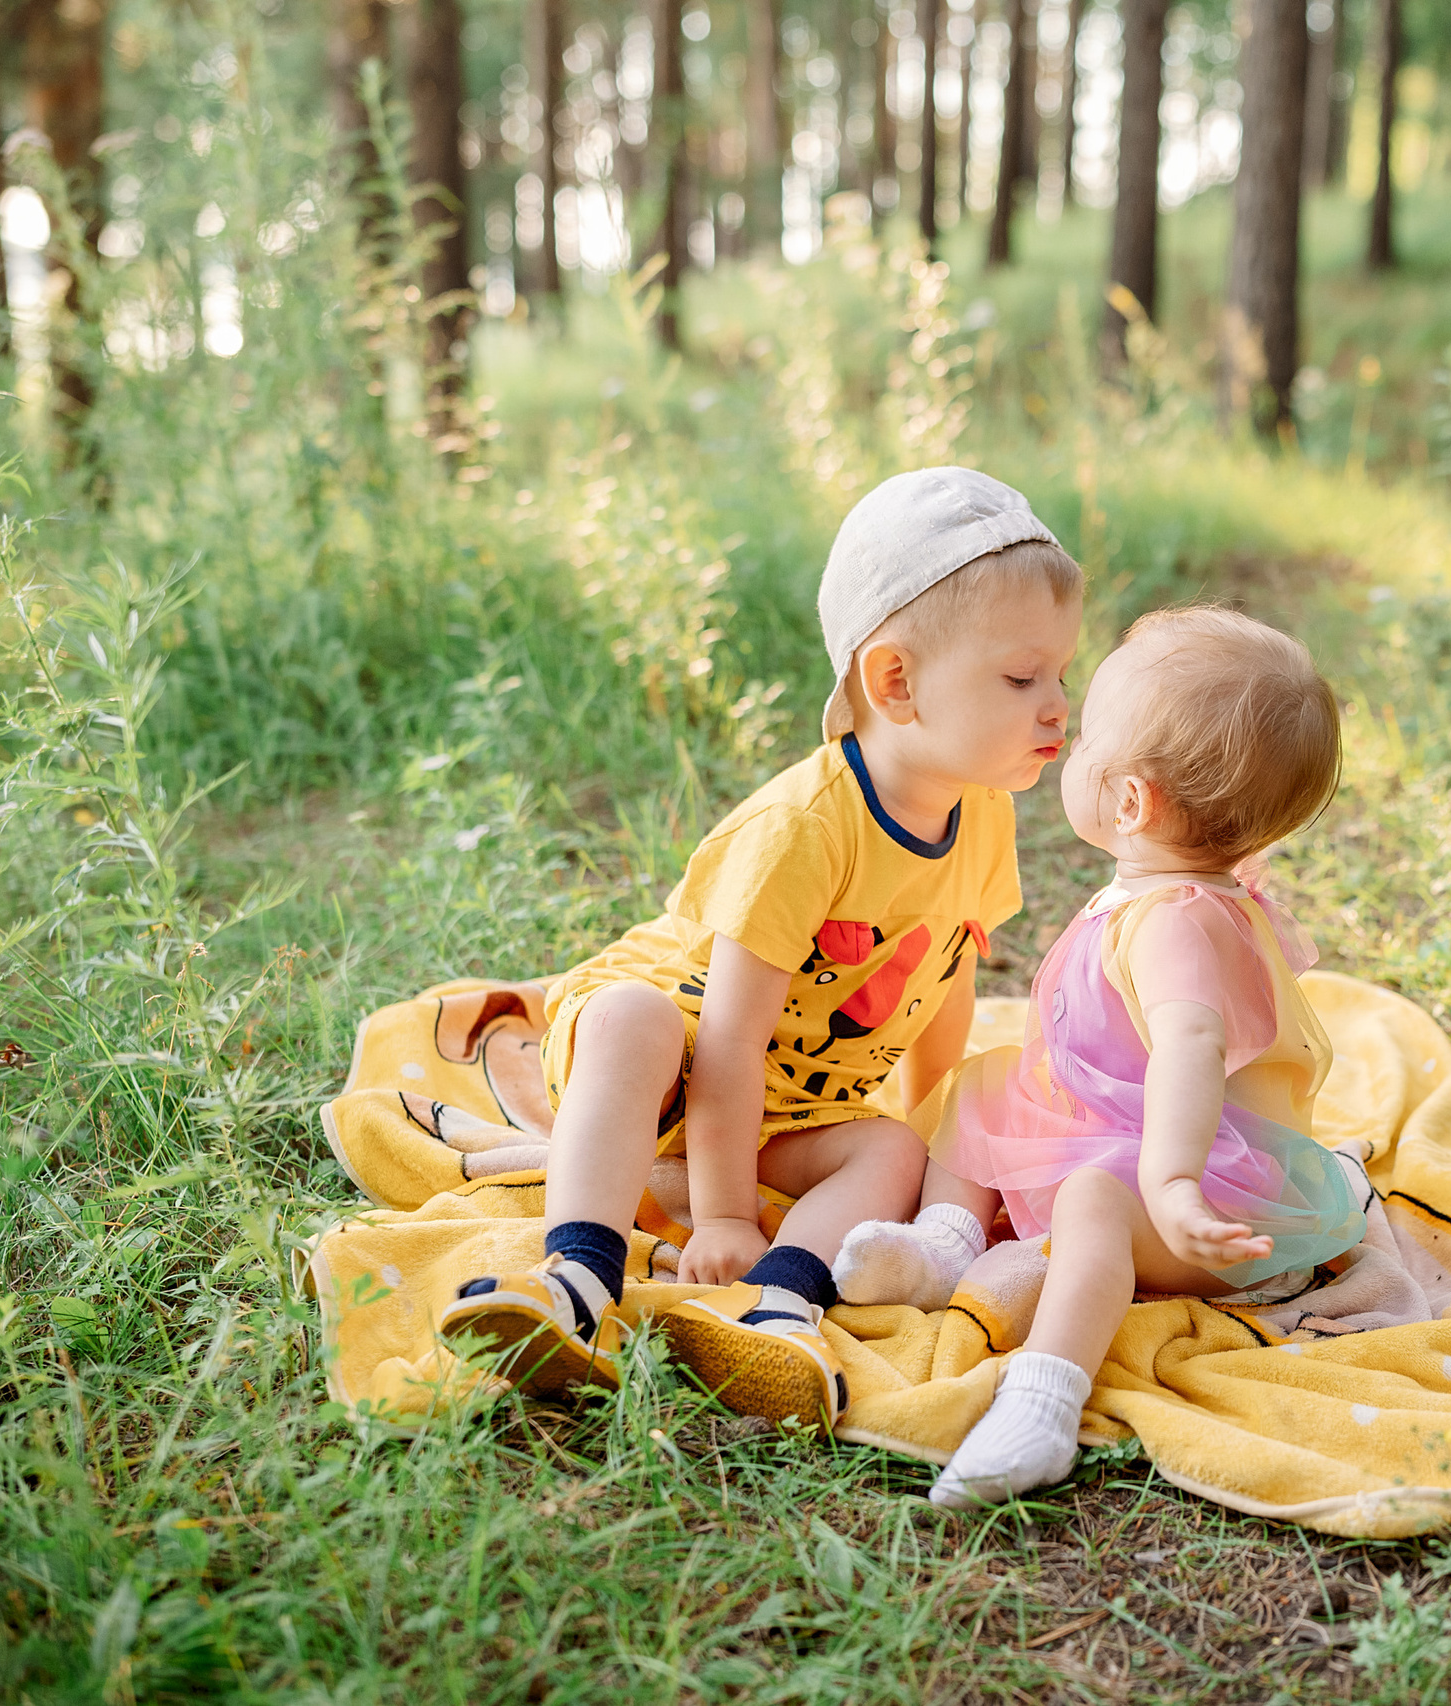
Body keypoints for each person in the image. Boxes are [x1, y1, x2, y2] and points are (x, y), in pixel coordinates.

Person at [438, 467, 1082, 1427]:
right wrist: (725, 1212)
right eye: (1022, 678)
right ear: (895, 683)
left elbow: (946, 976)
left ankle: (779, 1302)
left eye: (1060, 675)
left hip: (785, 1105)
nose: (1056, 705)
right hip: (672, 1061)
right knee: (633, 1019)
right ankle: (576, 1274)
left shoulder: (982, 813)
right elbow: (728, 1039)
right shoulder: (804, 830)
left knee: (894, 1153)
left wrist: (933, 1129)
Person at [832, 607, 1366, 1506]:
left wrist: (1171, 1186)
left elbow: (1192, 1050)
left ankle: (1044, 1400)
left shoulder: (1177, 925)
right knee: (985, 1086)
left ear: (1130, 802)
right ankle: (946, 1245)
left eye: (1083, 740)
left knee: (1093, 1201)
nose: (1061, 738)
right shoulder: (1174, 883)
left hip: (1216, 1192)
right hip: (1133, 1122)